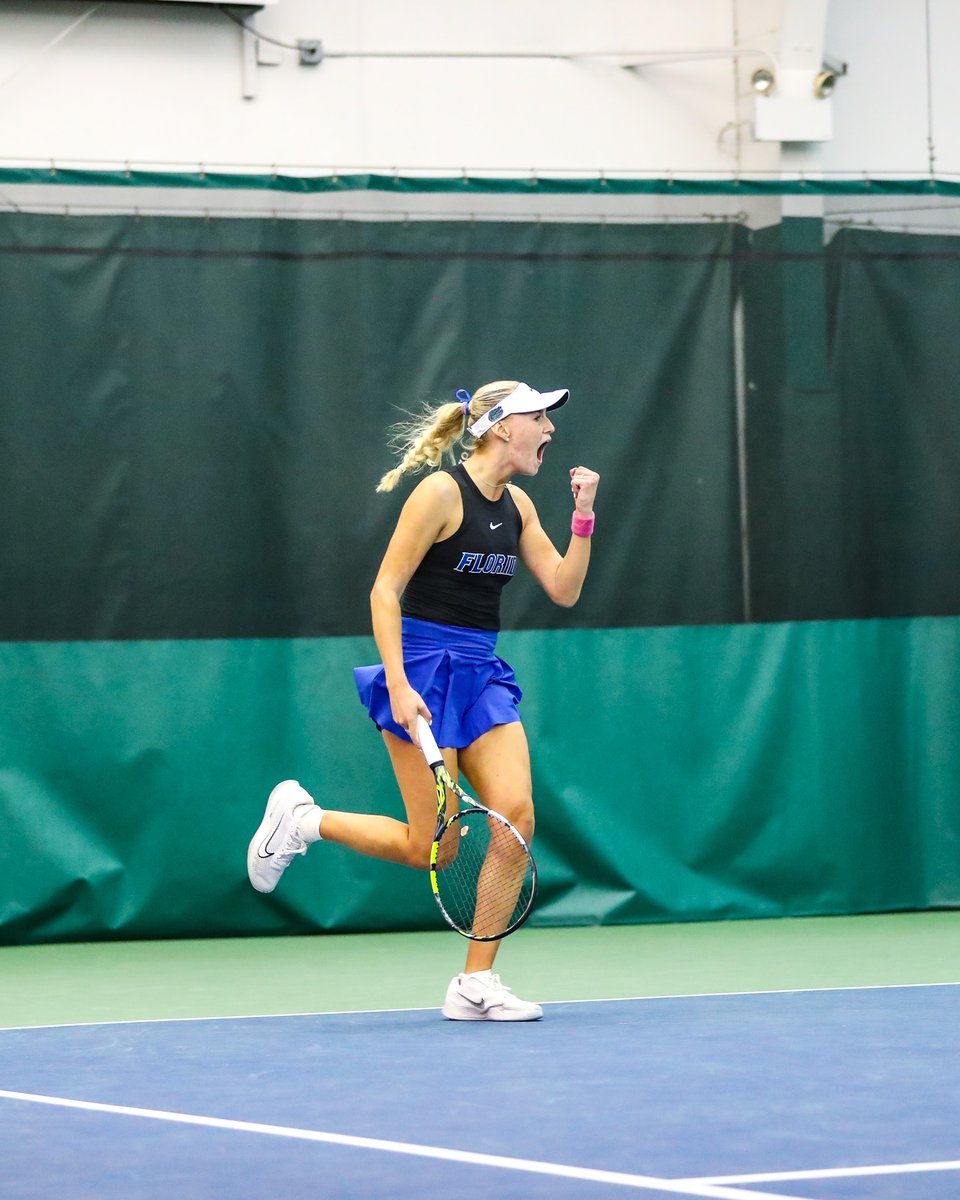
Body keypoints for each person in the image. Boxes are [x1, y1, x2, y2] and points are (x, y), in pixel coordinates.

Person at [247, 380, 599, 1021]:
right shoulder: (439, 493)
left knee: (515, 817)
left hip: (482, 673)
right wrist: (400, 683)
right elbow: (385, 591)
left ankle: (474, 985)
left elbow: (565, 588)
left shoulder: (518, 505)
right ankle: (302, 821)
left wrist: (583, 516)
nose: (549, 428)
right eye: (538, 417)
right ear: (499, 425)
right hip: (421, 670)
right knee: (432, 849)